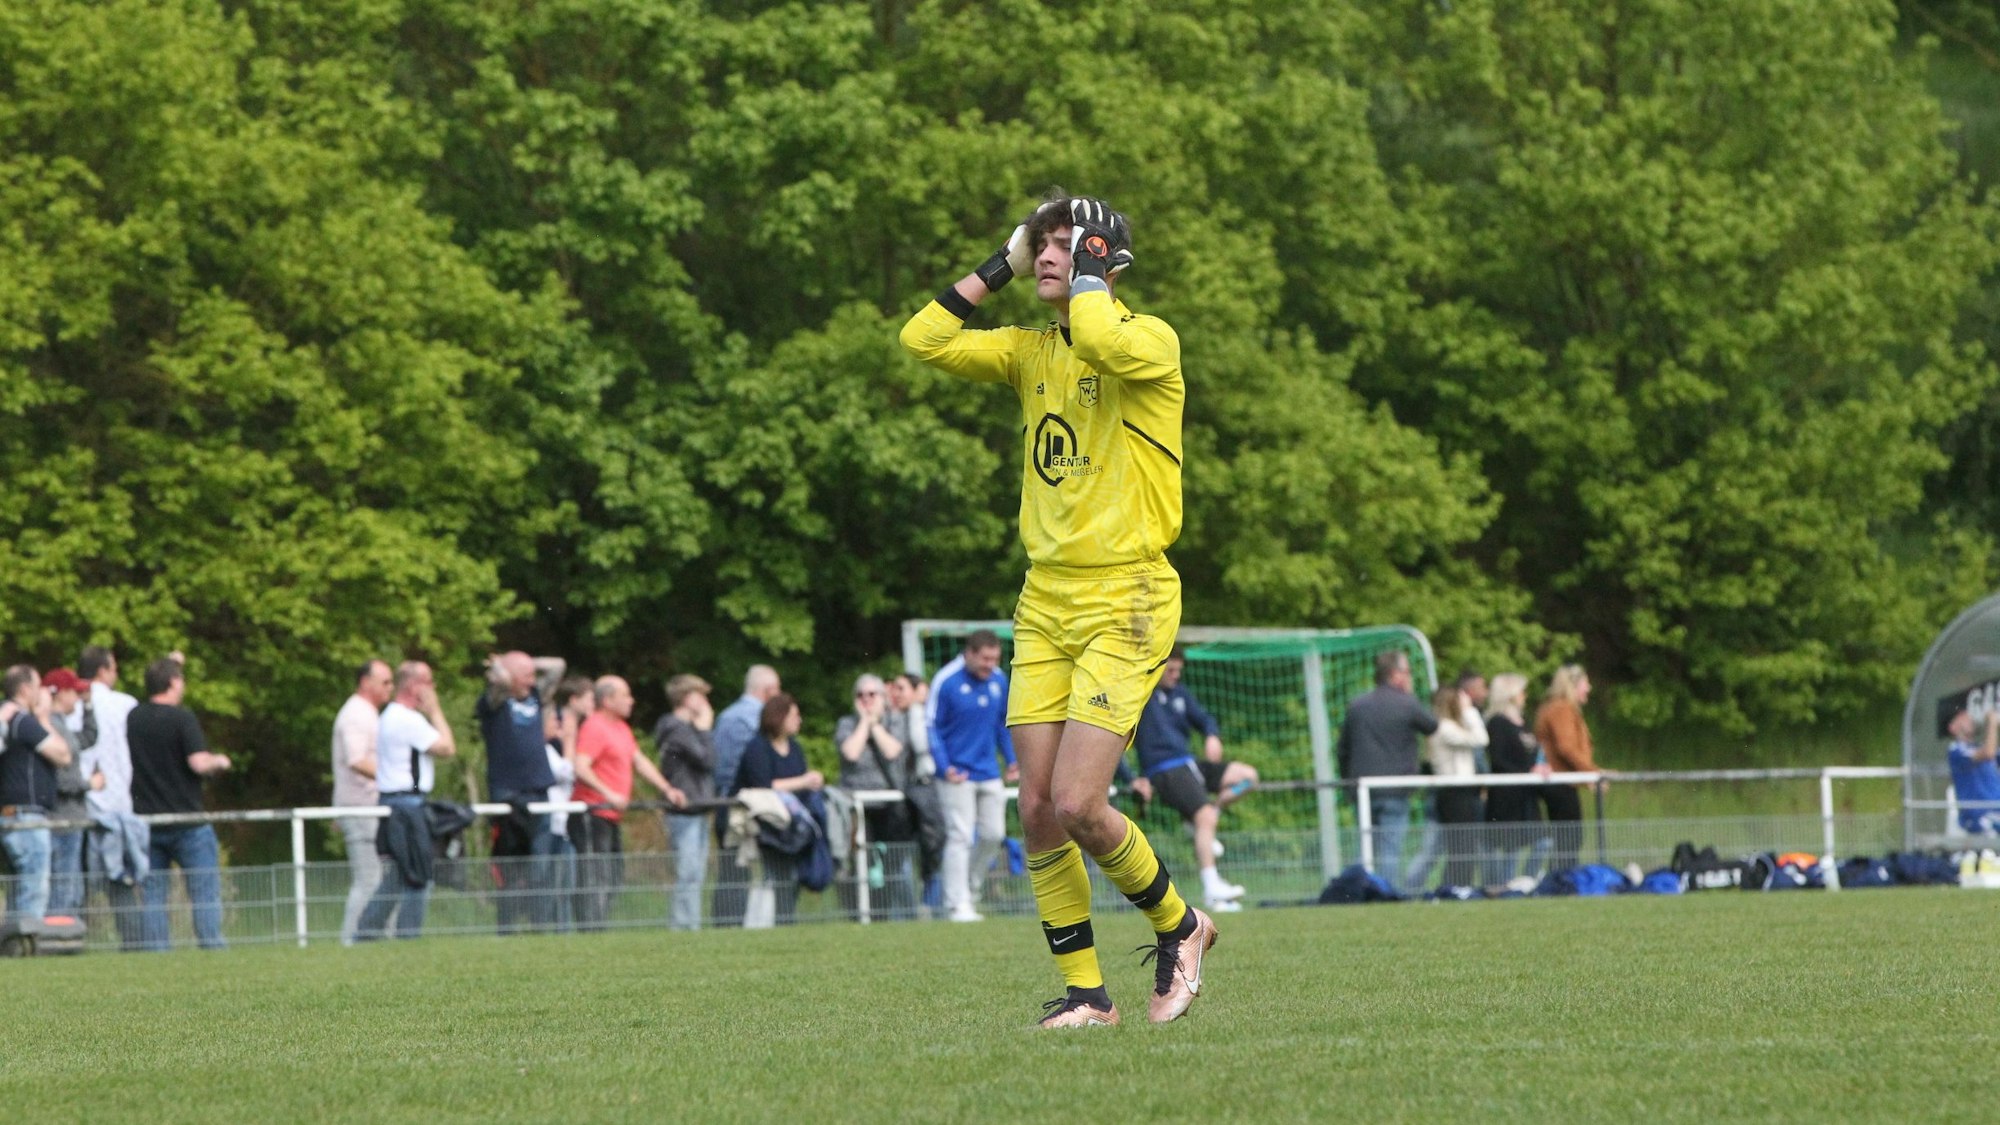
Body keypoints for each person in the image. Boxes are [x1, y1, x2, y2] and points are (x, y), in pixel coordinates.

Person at [902, 193, 1217, 1028]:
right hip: (1045, 599)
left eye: (1065, 244)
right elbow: (922, 338)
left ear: (1106, 258)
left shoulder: (1149, 340)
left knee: (1081, 802)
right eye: (1040, 243)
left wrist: (1088, 266)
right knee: (1036, 807)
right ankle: (1088, 993)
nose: (1048, 254)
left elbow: (1104, 335)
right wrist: (1001, 264)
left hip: (1130, 594)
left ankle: (1181, 925)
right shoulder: (1029, 351)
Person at [1128, 645, 1249, 911]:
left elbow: (1204, 718)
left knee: (1247, 777)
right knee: (1204, 815)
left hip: (1190, 765)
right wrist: (1133, 778)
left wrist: (1211, 735)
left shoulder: (1181, 694)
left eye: (1178, 670)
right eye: (1169, 670)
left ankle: (1205, 820)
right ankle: (1212, 889)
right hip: (1165, 769)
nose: (1174, 675)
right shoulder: (1142, 696)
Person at [129, 655, 233, 950]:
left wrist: (168, 661)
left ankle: (157, 955)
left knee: (152, 896)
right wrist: (220, 761)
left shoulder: (134, 718)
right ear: (173, 683)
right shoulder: (182, 718)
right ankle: (212, 948)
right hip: (188, 822)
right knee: (204, 892)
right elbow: (199, 763)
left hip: (148, 821)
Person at [571, 675, 685, 930]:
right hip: (592, 813)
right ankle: (590, 932)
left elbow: (638, 760)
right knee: (594, 876)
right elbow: (581, 766)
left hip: (611, 816)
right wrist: (608, 793)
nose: (631, 701)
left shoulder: (621, 728)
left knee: (614, 876)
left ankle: (596, 928)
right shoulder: (595, 726)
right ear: (608, 699)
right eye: (625, 695)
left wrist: (667, 788)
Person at [355, 661, 456, 940]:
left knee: (398, 876)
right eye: (430, 682)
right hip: (406, 806)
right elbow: (447, 748)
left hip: (395, 804)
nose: (433, 688)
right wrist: (435, 711)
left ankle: (366, 933)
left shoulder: (389, 716)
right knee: (418, 875)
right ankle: (406, 937)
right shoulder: (407, 719)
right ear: (415, 686)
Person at [929, 631, 1018, 924]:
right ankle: (957, 904)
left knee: (994, 834)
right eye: (985, 658)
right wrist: (944, 766)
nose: (990, 664)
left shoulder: (998, 680)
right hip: (957, 773)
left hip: (988, 770)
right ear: (969, 653)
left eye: (995, 659)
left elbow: (1002, 724)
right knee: (960, 835)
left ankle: (970, 887)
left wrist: (1012, 760)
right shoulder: (947, 680)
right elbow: (931, 727)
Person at [1336, 649, 1440, 895]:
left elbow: (1342, 750)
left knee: (1365, 846)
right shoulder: (1406, 703)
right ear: (1396, 675)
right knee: (1390, 849)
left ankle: (1357, 892)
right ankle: (1384, 894)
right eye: (1407, 672)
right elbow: (1432, 725)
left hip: (1361, 789)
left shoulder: (1357, 705)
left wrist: (1348, 784)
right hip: (1395, 790)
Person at [476, 651, 565, 932]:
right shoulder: (494, 704)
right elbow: (500, 682)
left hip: (538, 793)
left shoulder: (536, 698)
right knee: (511, 869)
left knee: (540, 868)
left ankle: (540, 927)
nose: (531, 680)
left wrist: (526, 664)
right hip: (507, 797)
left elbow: (557, 665)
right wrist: (505, 667)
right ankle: (508, 928)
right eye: (524, 675)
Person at [733, 693, 825, 926]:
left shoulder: (794, 747)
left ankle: (785, 920)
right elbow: (762, 785)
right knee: (767, 876)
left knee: (789, 877)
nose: (799, 720)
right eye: (794, 715)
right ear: (779, 717)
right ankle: (761, 923)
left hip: (792, 826)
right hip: (765, 825)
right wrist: (803, 781)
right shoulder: (757, 747)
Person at [76, 644, 144, 948]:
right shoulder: (126, 704)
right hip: (119, 804)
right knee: (122, 881)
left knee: (76, 883)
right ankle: (133, 944)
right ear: (103, 670)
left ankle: (68, 943)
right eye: (114, 668)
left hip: (81, 804)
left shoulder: (73, 705)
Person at [836, 673, 917, 920]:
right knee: (860, 862)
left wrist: (875, 725)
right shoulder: (846, 724)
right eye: (860, 695)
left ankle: (897, 914)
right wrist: (864, 723)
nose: (866, 699)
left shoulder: (897, 721)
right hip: (856, 804)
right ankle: (862, 913)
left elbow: (893, 751)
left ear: (883, 697)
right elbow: (850, 752)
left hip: (890, 804)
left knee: (893, 862)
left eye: (872, 694)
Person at [1, 665, 71, 928]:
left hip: (8, 814)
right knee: (33, 884)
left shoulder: (5, 717)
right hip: (26, 816)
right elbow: (63, 755)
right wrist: (43, 718)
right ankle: (27, 942)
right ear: (25, 689)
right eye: (38, 685)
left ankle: (13, 943)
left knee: (17, 887)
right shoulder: (22, 721)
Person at [711, 664, 780, 927]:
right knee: (736, 871)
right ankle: (731, 926)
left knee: (733, 871)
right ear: (768, 690)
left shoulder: (728, 716)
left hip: (727, 799)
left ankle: (731, 925)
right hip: (739, 803)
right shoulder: (750, 719)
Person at [332, 659, 392, 945]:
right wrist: (393, 777)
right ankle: (352, 941)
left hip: (368, 807)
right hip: (360, 807)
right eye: (385, 682)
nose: (390, 688)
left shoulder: (367, 713)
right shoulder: (356, 714)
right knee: (368, 880)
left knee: (378, 879)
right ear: (366, 682)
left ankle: (375, 938)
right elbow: (356, 759)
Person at [653, 673, 717, 931]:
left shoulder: (685, 729)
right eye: (700, 695)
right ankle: (682, 926)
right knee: (688, 872)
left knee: (697, 873)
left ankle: (692, 924)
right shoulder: (675, 728)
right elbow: (708, 759)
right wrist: (704, 730)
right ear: (686, 698)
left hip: (697, 809)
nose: (704, 701)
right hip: (683, 811)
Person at [1481, 673, 1551, 884]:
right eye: (1521, 691)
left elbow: (1532, 751)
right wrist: (1525, 773)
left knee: (1543, 841)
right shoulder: (1497, 723)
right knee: (1512, 846)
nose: (1525, 696)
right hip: (1507, 795)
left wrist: (1539, 766)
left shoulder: (1523, 722)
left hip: (1527, 795)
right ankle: (1507, 887)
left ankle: (1526, 881)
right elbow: (1499, 759)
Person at [1534, 664, 1601, 872]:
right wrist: (1592, 772)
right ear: (1573, 685)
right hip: (1558, 781)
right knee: (1569, 836)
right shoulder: (1561, 709)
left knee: (1569, 836)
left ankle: (1562, 875)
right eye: (1585, 683)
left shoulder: (1559, 708)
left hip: (1564, 781)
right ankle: (1561, 878)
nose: (1588, 688)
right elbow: (1567, 747)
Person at [40, 668, 95, 917]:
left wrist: (89, 706)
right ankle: (55, 937)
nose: (77, 695)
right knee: (62, 885)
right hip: (62, 818)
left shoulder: (59, 724)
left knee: (70, 886)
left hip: (72, 817)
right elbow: (61, 779)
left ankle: (63, 934)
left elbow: (87, 738)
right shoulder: (49, 725)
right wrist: (88, 784)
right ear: (60, 693)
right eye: (74, 691)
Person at [1425, 683, 1490, 889]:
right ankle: (1457, 888)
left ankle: (1457, 887)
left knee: (1464, 845)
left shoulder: (1447, 727)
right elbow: (1481, 738)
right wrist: (1470, 710)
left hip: (1461, 792)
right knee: (1461, 846)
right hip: (1454, 793)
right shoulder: (1445, 728)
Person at [543, 676, 593, 932]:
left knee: (566, 883)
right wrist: (570, 740)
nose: (558, 725)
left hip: (562, 824)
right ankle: (553, 930)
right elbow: (567, 772)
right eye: (553, 721)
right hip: (552, 823)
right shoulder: (547, 751)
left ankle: (564, 930)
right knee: (553, 884)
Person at [1945, 707, 2000, 834]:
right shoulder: (1956, 750)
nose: (1968, 718)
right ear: (1952, 727)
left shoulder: (1979, 746)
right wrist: (1992, 723)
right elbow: (1988, 753)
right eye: (1962, 717)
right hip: (1980, 815)